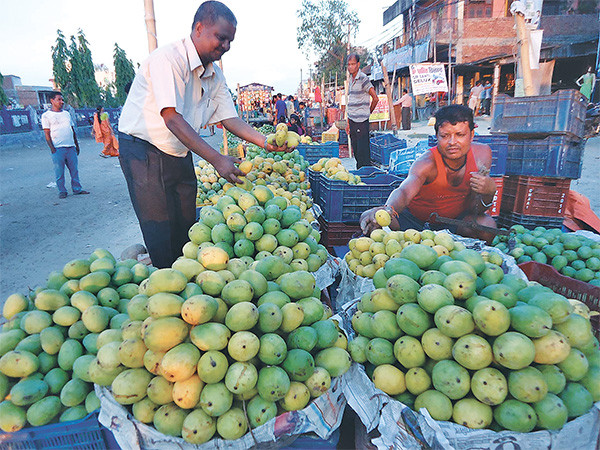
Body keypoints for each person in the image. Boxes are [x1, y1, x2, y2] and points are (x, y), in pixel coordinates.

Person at [118, 1, 285, 269]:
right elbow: (171, 117)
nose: (226, 46)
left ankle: (186, 274)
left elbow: (229, 118)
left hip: (179, 148)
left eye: (230, 41)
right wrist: (217, 159)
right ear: (199, 28)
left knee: (186, 223)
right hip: (143, 149)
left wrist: (264, 142)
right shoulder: (169, 59)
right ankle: (166, 278)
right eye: (221, 37)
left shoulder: (214, 75)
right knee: (160, 227)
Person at [360, 105, 498, 243]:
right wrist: (388, 209)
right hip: (414, 223)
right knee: (373, 223)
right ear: (437, 136)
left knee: (487, 226)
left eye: (460, 135)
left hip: (454, 223)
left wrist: (489, 192)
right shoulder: (426, 163)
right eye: (445, 136)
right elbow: (404, 192)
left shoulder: (482, 156)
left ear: (472, 135)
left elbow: (476, 210)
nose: (452, 142)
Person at [41, 92, 90, 199]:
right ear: (52, 101)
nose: (62, 102)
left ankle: (77, 189)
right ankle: (62, 191)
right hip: (58, 148)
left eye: (62, 100)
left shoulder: (66, 114)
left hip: (71, 147)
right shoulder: (46, 116)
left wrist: (76, 144)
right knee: (59, 172)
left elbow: (72, 130)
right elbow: (47, 134)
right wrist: (52, 149)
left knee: (74, 170)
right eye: (59, 99)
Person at [347, 53, 379, 168]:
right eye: (349, 64)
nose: (350, 67)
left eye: (353, 64)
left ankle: (365, 177)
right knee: (356, 151)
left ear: (358, 64)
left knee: (362, 153)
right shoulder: (351, 79)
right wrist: (348, 121)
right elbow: (350, 101)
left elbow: (375, 98)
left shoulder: (363, 78)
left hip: (361, 121)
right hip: (352, 120)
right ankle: (360, 175)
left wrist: (368, 112)